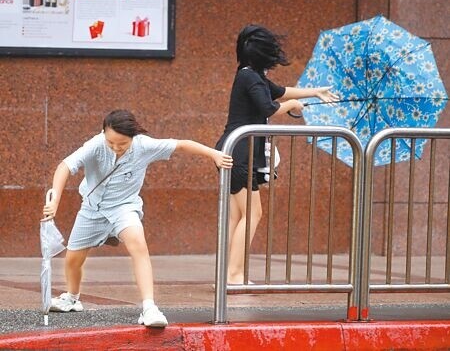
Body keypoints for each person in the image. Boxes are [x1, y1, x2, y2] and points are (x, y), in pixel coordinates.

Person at [42, 109, 233, 327]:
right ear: (103, 133)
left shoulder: (144, 146)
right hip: (92, 209)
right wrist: (54, 200)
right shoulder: (96, 144)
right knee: (73, 259)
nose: (115, 148)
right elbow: (65, 166)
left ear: (133, 136)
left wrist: (215, 155)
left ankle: (149, 308)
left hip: (124, 207)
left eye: (121, 144)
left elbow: (182, 144)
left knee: (138, 245)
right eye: (110, 142)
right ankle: (72, 298)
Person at [215, 24, 338, 285]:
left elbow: (279, 91)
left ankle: (228, 274)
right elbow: (269, 107)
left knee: (239, 216)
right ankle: (234, 276)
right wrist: (293, 106)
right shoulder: (250, 77)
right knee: (253, 214)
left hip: (234, 150)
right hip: (240, 153)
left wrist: (314, 92)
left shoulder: (249, 74)